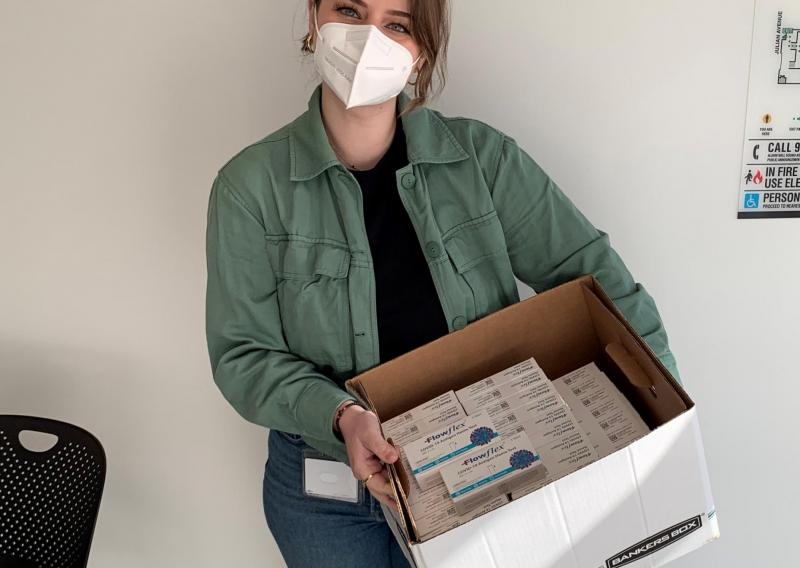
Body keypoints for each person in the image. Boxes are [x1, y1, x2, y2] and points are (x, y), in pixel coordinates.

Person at [204, 1, 682, 566]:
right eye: (350, 11)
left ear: (420, 55)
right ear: (314, 19)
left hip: (479, 461)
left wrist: (666, 423)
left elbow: (600, 284)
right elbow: (243, 354)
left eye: (397, 25)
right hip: (323, 493)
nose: (367, 39)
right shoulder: (249, 188)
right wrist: (342, 416)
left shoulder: (481, 160)